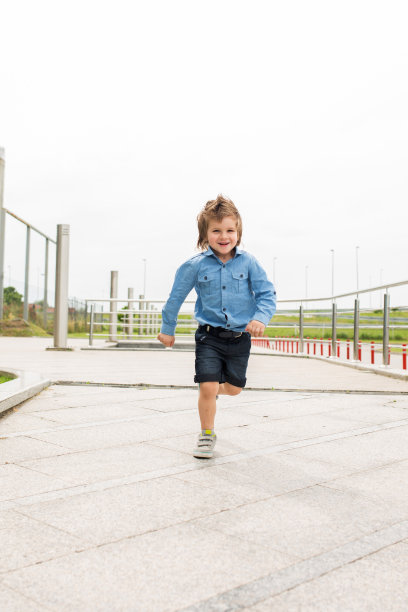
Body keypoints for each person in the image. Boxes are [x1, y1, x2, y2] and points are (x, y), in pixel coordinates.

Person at [157, 195, 276, 458]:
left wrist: (260, 318)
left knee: (233, 389)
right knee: (207, 385)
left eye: (230, 230)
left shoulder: (249, 263)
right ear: (204, 235)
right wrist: (168, 329)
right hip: (208, 337)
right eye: (216, 230)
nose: (224, 236)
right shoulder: (195, 266)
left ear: (238, 233)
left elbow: (267, 294)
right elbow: (175, 298)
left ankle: (217, 392)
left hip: (239, 338)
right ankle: (206, 434)